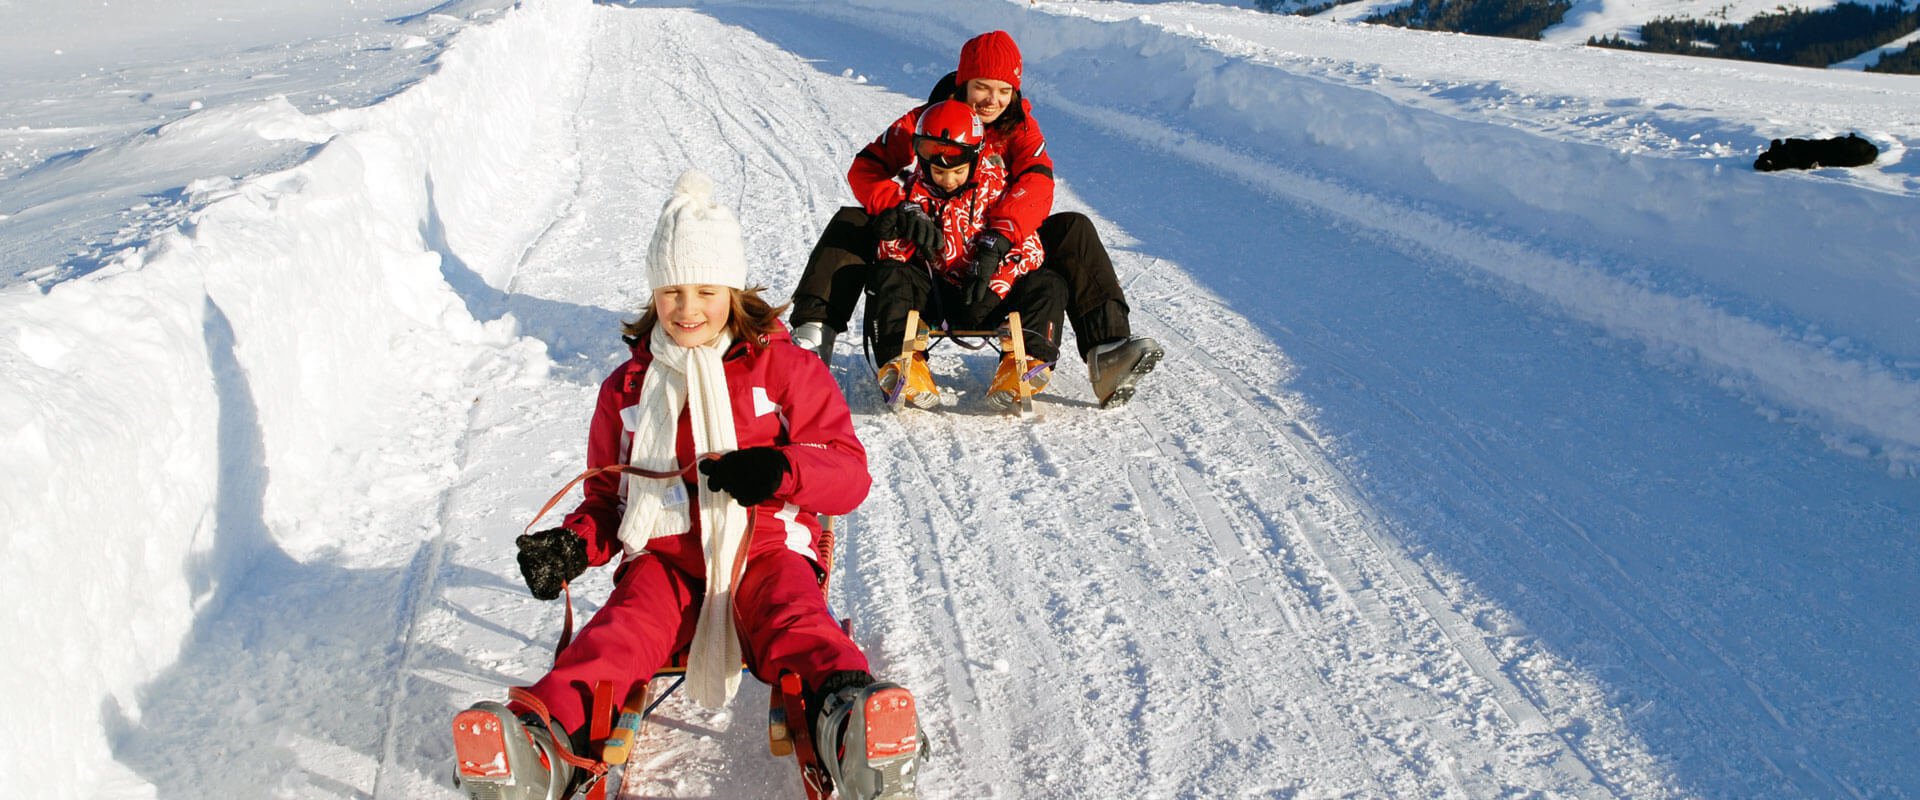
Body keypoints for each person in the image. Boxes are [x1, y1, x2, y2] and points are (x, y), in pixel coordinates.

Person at [451, 170, 923, 800]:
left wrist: (781, 469)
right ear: (654, 295)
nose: (688, 308)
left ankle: (850, 725)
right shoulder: (626, 389)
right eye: (672, 291)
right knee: (616, 636)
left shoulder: (785, 368)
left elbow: (849, 473)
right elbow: (607, 502)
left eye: (706, 289)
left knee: (797, 622)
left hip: (764, 550)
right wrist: (573, 546)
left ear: (733, 289)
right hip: (665, 560)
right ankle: (543, 744)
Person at [788, 30, 1162, 409]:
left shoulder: (1020, 128)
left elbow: (1037, 183)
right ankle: (811, 338)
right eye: (983, 87)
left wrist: (999, 236)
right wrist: (899, 208)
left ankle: (1107, 350)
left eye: (1004, 90)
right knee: (853, 221)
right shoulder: (925, 121)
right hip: (931, 251)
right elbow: (866, 167)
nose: (993, 100)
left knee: (1073, 229)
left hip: (996, 249)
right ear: (964, 81)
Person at [865, 99, 1066, 411]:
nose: (947, 180)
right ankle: (902, 363)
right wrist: (896, 232)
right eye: (938, 171)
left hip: (990, 293)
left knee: (1048, 283)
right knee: (889, 275)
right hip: (935, 298)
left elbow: (1031, 249)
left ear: (973, 160)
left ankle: (1025, 363)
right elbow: (891, 257)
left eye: (957, 171)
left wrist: (996, 274)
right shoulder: (913, 197)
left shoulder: (998, 191)